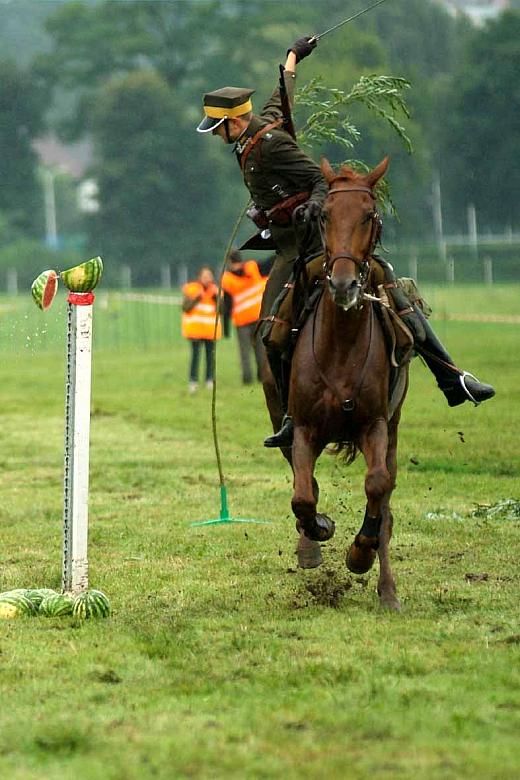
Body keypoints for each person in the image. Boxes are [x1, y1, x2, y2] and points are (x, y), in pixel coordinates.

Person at [197, 37, 494, 446]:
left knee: (391, 289)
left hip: (315, 247)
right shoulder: (256, 129)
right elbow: (283, 92)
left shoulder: (272, 144)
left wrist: (313, 205)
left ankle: (453, 378)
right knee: (272, 334)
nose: (216, 136)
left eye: (217, 128)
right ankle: (290, 417)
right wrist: (293, 55)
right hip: (288, 248)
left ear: (234, 121)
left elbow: (319, 179)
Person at [221, 248, 267, 384]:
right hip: (258, 316)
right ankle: (262, 376)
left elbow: (227, 306)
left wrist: (226, 328)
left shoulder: (227, 279)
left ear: (229, 262)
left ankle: (247, 378)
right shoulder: (253, 268)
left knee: (244, 352)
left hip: (242, 321)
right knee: (260, 349)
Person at [181, 266, 221, 394]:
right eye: (204, 276)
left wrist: (217, 299)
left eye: (209, 276)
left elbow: (224, 310)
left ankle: (209, 380)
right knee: (195, 356)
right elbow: (185, 308)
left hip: (210, 331)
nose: (207, 279)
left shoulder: (216, 290)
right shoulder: (191, 289)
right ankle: (193, 381)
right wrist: (196, 299)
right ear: (199, 277)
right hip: (196, 330)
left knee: (210, 357)